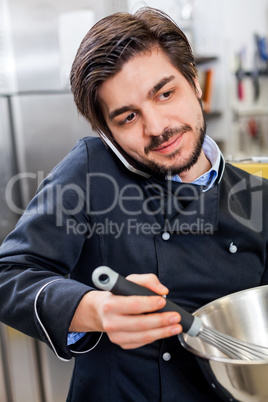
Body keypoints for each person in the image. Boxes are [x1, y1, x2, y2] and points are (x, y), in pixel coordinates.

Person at [0, 6, 267, 402]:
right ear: (106, 132)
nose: (157, 128)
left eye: (165, 93)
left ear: (194, 81)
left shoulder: (255, 194)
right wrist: (93, 309)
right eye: (128, 117)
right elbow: (9, 276)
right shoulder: (92, 171)